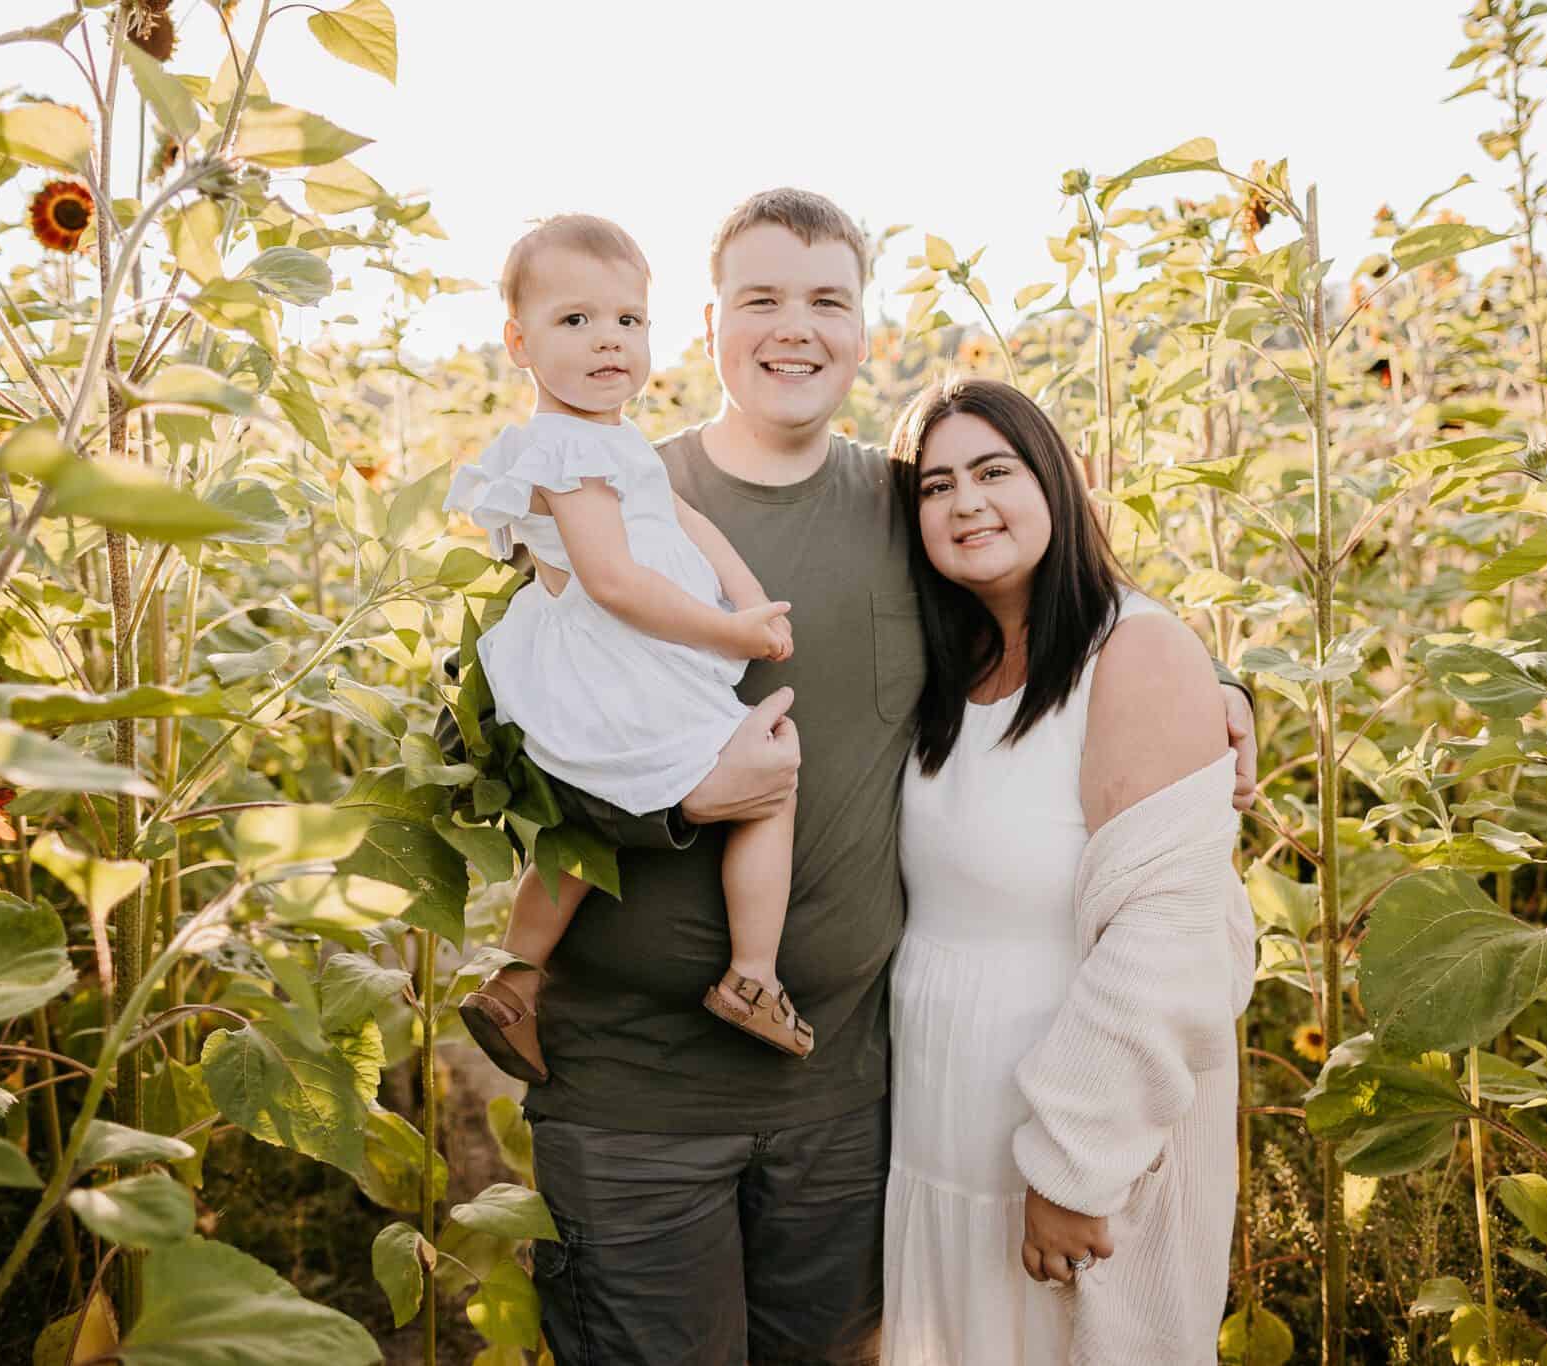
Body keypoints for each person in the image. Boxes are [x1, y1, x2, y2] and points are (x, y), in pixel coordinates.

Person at [440, 189, 1259, 1366]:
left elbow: (1059, 615)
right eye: (761, 298)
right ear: (710, 323)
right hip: (637, 1096)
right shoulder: (614, 503)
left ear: (864, 327)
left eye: (827, 299)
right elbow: (498, 736)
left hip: (851, 1099)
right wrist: (674, 808)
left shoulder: (906, 507)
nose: (795, 328)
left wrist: (1214, 687)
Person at [882, 377, 1256, 1365]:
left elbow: (1167, 944)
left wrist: (1072, 1169)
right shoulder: (947, 663)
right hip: (941, 1130)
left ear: (1057, 480)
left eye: (994, 471)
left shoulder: (1133, 651)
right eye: (934, 485)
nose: (965, 503)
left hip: (1073, 1145)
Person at [444, 214, 816, 1076]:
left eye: (628, 321)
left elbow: (681, 517)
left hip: (606, 667)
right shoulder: (567, 447)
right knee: (770, 781)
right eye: (575, 321)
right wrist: (729, 628)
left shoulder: (606, 439)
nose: (608, 341)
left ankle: (514, 981)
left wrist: (755, 599)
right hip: (613, 665)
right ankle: (753, 976)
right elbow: (611, 579)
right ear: (519, 343)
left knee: (584, 831)